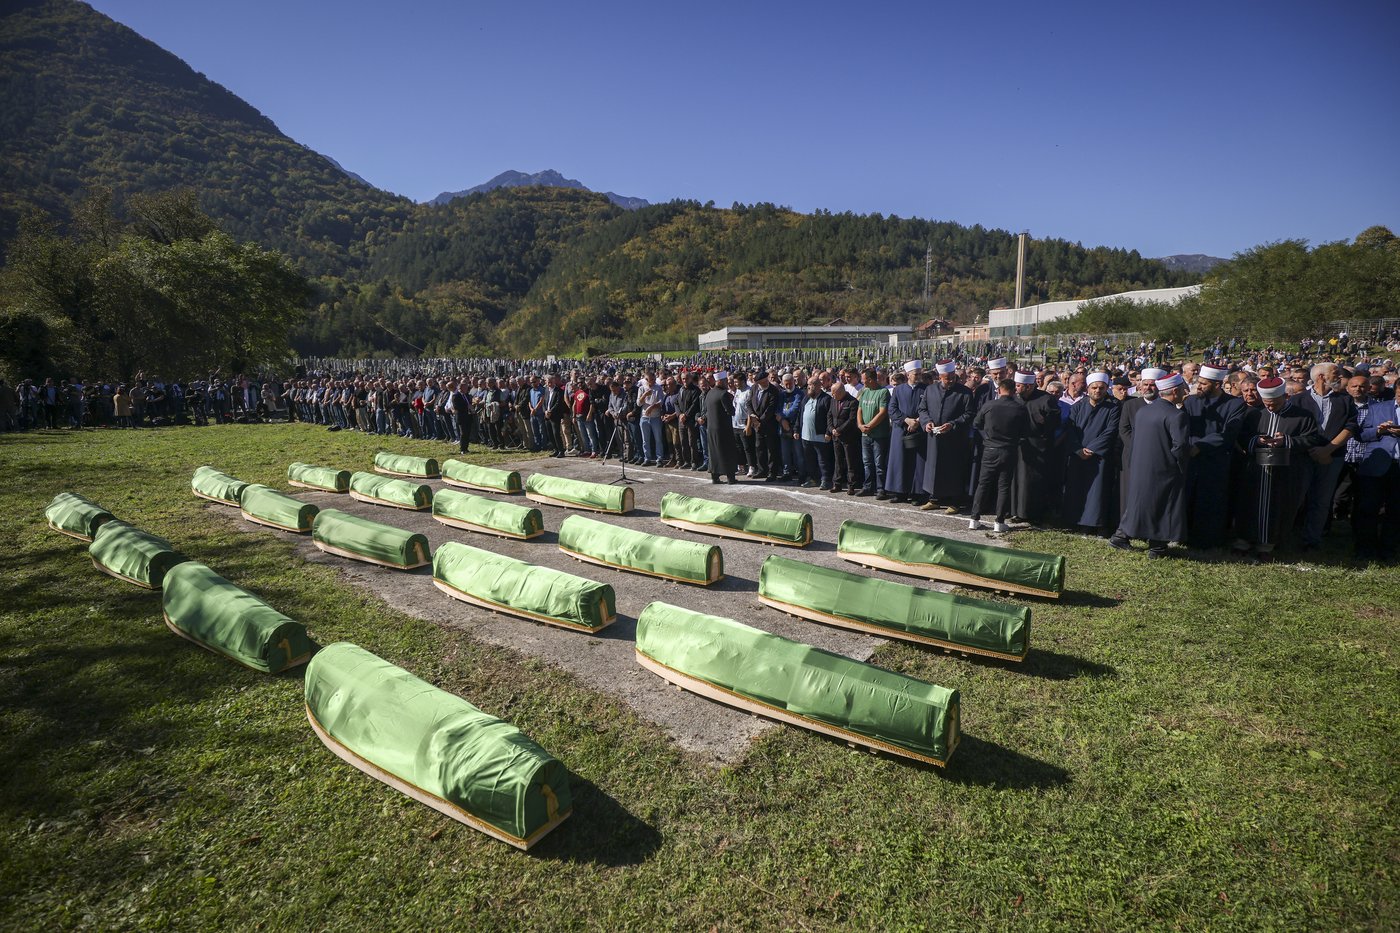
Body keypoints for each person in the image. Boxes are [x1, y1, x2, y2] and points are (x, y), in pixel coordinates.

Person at [1231, 377, 1326, 562]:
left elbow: (1312, 439)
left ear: (1285, 397)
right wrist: (1257, 440)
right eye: (1267, 403)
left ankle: (1267, 544)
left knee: (1278, 506)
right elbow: (1242, 436)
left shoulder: (1303, 416)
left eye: (1274, 403)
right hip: (1256, 470)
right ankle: (1243, 541)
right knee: (1248, 504)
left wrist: (1287, 441)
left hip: (1286, 471)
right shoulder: (1254, 414)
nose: (1270, 407)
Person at [1110, 372, 1191, 559]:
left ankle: (1121, 536)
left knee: (1140, 503)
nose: (1185, 392)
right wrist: (1181, 464)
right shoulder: (1176, 415)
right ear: (1175, 391)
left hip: (1140, 466)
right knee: (1163, 505)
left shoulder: (1143, 412)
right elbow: (1180, 446)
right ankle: (1158, 546)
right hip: (1165, 469)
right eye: (1182, 389)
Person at [1183, 363, 1246, 549]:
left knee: (1211, 500)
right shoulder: (1191, 402)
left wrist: (1200, 446)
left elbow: (1229, 433)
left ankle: (1208, 540)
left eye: (1204, 383)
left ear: (1217, 385)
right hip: (1191, 459)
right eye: (1199, 382)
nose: (1199, 386)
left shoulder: (1235, 404)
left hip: (1215, 461)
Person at [1295, 362, 1357, 550]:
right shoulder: (1299, 400)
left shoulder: (1345, 400)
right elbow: (1293, 428)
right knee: (1296, 498)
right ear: (1321, 376)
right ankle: (1287, 535)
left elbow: (1350, 427)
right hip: (1303, 457)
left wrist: (1328, 450)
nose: (1339, 376)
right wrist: (1311, 450)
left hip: (1331, 458)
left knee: (1321, 500)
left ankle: (1311, 540)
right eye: (1335, 373)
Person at [1345, 376, 1399, 561]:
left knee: (1395, 510)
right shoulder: (1378, 408)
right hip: (1376, 464)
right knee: (1368, 508)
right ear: (1395, 391)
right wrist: (1379, 430)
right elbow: (1361, 435)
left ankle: (1388, 550)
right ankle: (1365, 549)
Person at [1062, 372, 1121, 533]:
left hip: (1099, 456)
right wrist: (1078, 449)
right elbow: (1070, 430)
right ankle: (1074, 521)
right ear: (1088, 388)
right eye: (1094, 388)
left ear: (1106, 388)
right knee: (1076, 488)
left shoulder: (1114, 407)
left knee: (1097, 491)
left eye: (1101, 388)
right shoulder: (1077, 407)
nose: (1097, 391)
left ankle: (1094, 524)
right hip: (1078, 455)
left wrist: (1093, 449)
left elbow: (1111, 431)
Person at [969, 378, 1030, 533]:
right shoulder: (1020, 408)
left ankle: (974, 519)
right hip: (1008, 450)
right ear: (1014, 391)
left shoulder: (989, 405)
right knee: (1003, 486)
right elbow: (1025, 432)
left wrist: (987, 436)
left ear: (999, 390)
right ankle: (999, 521)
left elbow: (976, 424)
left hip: (990, 448)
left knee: (983, 484)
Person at [917, 361, 974, 512]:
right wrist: (926, 422)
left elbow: (969, 414)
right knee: (934, 468)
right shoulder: (930, 390)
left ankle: (954, 502)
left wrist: (952, 424)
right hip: (934, 437)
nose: (950, 381)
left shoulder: (965, 392)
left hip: (955, 439)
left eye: (952, 378)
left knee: (953, 469)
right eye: (947, 378)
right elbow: (922, 409)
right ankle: (934, 499)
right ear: (940, 377)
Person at [1011, 371, 1061, 523]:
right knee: (1016, 480)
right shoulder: (1014, 398)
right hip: (1017, 447)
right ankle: (1015, 511)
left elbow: (1054, 423)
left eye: (1018, 386)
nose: (1016, 388)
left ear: (1028, 386)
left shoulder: (1046, 399)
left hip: (1038, 448)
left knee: (1033, 482)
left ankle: (1033, 514)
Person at [885, 361, 926, 505]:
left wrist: (918, 421)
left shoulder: (926, 389)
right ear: (908, 375)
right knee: (899, 461)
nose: (919, 376)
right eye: (916, 374)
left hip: (919, 429)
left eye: (920, 373)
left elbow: (928, 408)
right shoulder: (898, 390)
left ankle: (917, 493)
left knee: (918, 462)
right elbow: (892, 409)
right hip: (901, 429)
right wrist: (906, 420)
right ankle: (899, 492)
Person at [856, 367, 890, 498]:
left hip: (879, 435)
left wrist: (869, 425)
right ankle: (868, 487)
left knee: (879, 464)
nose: (862, 381)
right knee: (867, 463)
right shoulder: (864, 392)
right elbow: (859, 410)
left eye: (863, 379)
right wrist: (860, 425)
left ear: (870, 379)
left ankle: (881, 489)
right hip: (865, 434)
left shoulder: (883, 392)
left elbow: (883, 412)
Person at [704, 371, 739, 484]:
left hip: (711, 428)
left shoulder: (710, 393)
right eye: (725, 381)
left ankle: (715, 476)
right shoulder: (724, 394)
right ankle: (730, 477)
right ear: (720, 381)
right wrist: (731, 400)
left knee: (714, 452)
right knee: (728, 452)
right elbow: (731, 411)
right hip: (723, 428)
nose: (727, 383)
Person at [799, 374, 833, 489]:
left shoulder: (826, 399)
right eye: (808, 384)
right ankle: (814, 479)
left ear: (818, 385)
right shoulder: (806, 398)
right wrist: (796, 429)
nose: (809, 387)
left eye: (811, 384)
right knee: (810, 460)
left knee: (823, 460)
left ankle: (826, 480)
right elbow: (800, 415)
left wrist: (828, 432)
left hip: (820, 435)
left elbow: (830, 417)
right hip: (806, 435)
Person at [828, 381, 862, 493]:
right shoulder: (833, 400)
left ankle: (851, 485)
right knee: (838, 461)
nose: (833, 396)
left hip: (848, 437)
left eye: (834, 393)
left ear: (841, 391)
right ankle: (837, 483)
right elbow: (829, 415)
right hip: (836, 436)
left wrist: (839, 430)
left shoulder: (852, 402)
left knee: (850, 461)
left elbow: (851, 420)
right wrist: (831, 429)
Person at [749, 370, 781, 481]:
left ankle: (772, 472)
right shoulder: (754, 388)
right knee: (759, 448)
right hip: (756, 424)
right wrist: (752, 415)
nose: (764, 383)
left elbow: (770, 410)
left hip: (769, 425)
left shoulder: (773, 391)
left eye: (765, 381)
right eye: (761, 382)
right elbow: (749, 403)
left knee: (771, 450)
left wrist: (759, 422)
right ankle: (762, 470)